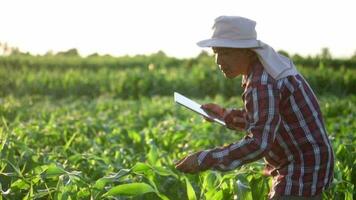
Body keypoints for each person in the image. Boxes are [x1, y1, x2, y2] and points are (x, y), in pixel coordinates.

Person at [175, 16, 334, 200]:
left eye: (225, 53)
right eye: (215, 52)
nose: (218, 61)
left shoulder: (262, 81)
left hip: (302, 167)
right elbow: (266, 117)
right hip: (307, 160)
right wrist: (224, 115)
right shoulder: (262, 69)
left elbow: (259, 143)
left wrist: (204, 159)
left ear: (247, 51)